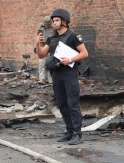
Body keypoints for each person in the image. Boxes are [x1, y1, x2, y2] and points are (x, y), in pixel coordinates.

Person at [35, 8, 88, 145]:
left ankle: (77, 133)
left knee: (73, 103)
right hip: (56, 75)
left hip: (69, 74)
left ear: (64, 21)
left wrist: (70, 60)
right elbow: (42, 54)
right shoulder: (52, 38)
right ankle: (69, 131)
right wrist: (37, 43)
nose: (54, 23)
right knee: (62, 104)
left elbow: (84, 53)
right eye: (53, 21)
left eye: (57, 20)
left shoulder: (73, 36)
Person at [36, 16, 54, 84]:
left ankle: (50, 79)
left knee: (50, 64)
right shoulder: (41, 29)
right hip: (42, 47)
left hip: (50, 47)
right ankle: (42, 79)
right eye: (46, 24)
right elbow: (38, 37)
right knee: (42, 64)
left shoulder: (53, 29)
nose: (47, 26)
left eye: (48, 24)